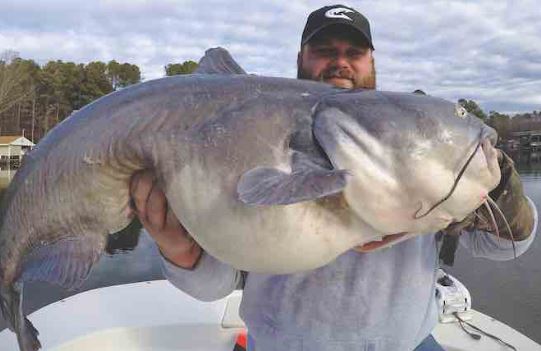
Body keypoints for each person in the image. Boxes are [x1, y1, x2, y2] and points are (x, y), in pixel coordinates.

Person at [129, 5, 537, 351]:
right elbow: (215, 285)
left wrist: (501, 189)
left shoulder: (419, 145)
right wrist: (177, 247)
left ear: (372, 62)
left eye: (354, 52)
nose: (339, 61)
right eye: (324, 50)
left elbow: (507, 247)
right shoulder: (244, 143)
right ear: (300, 60)